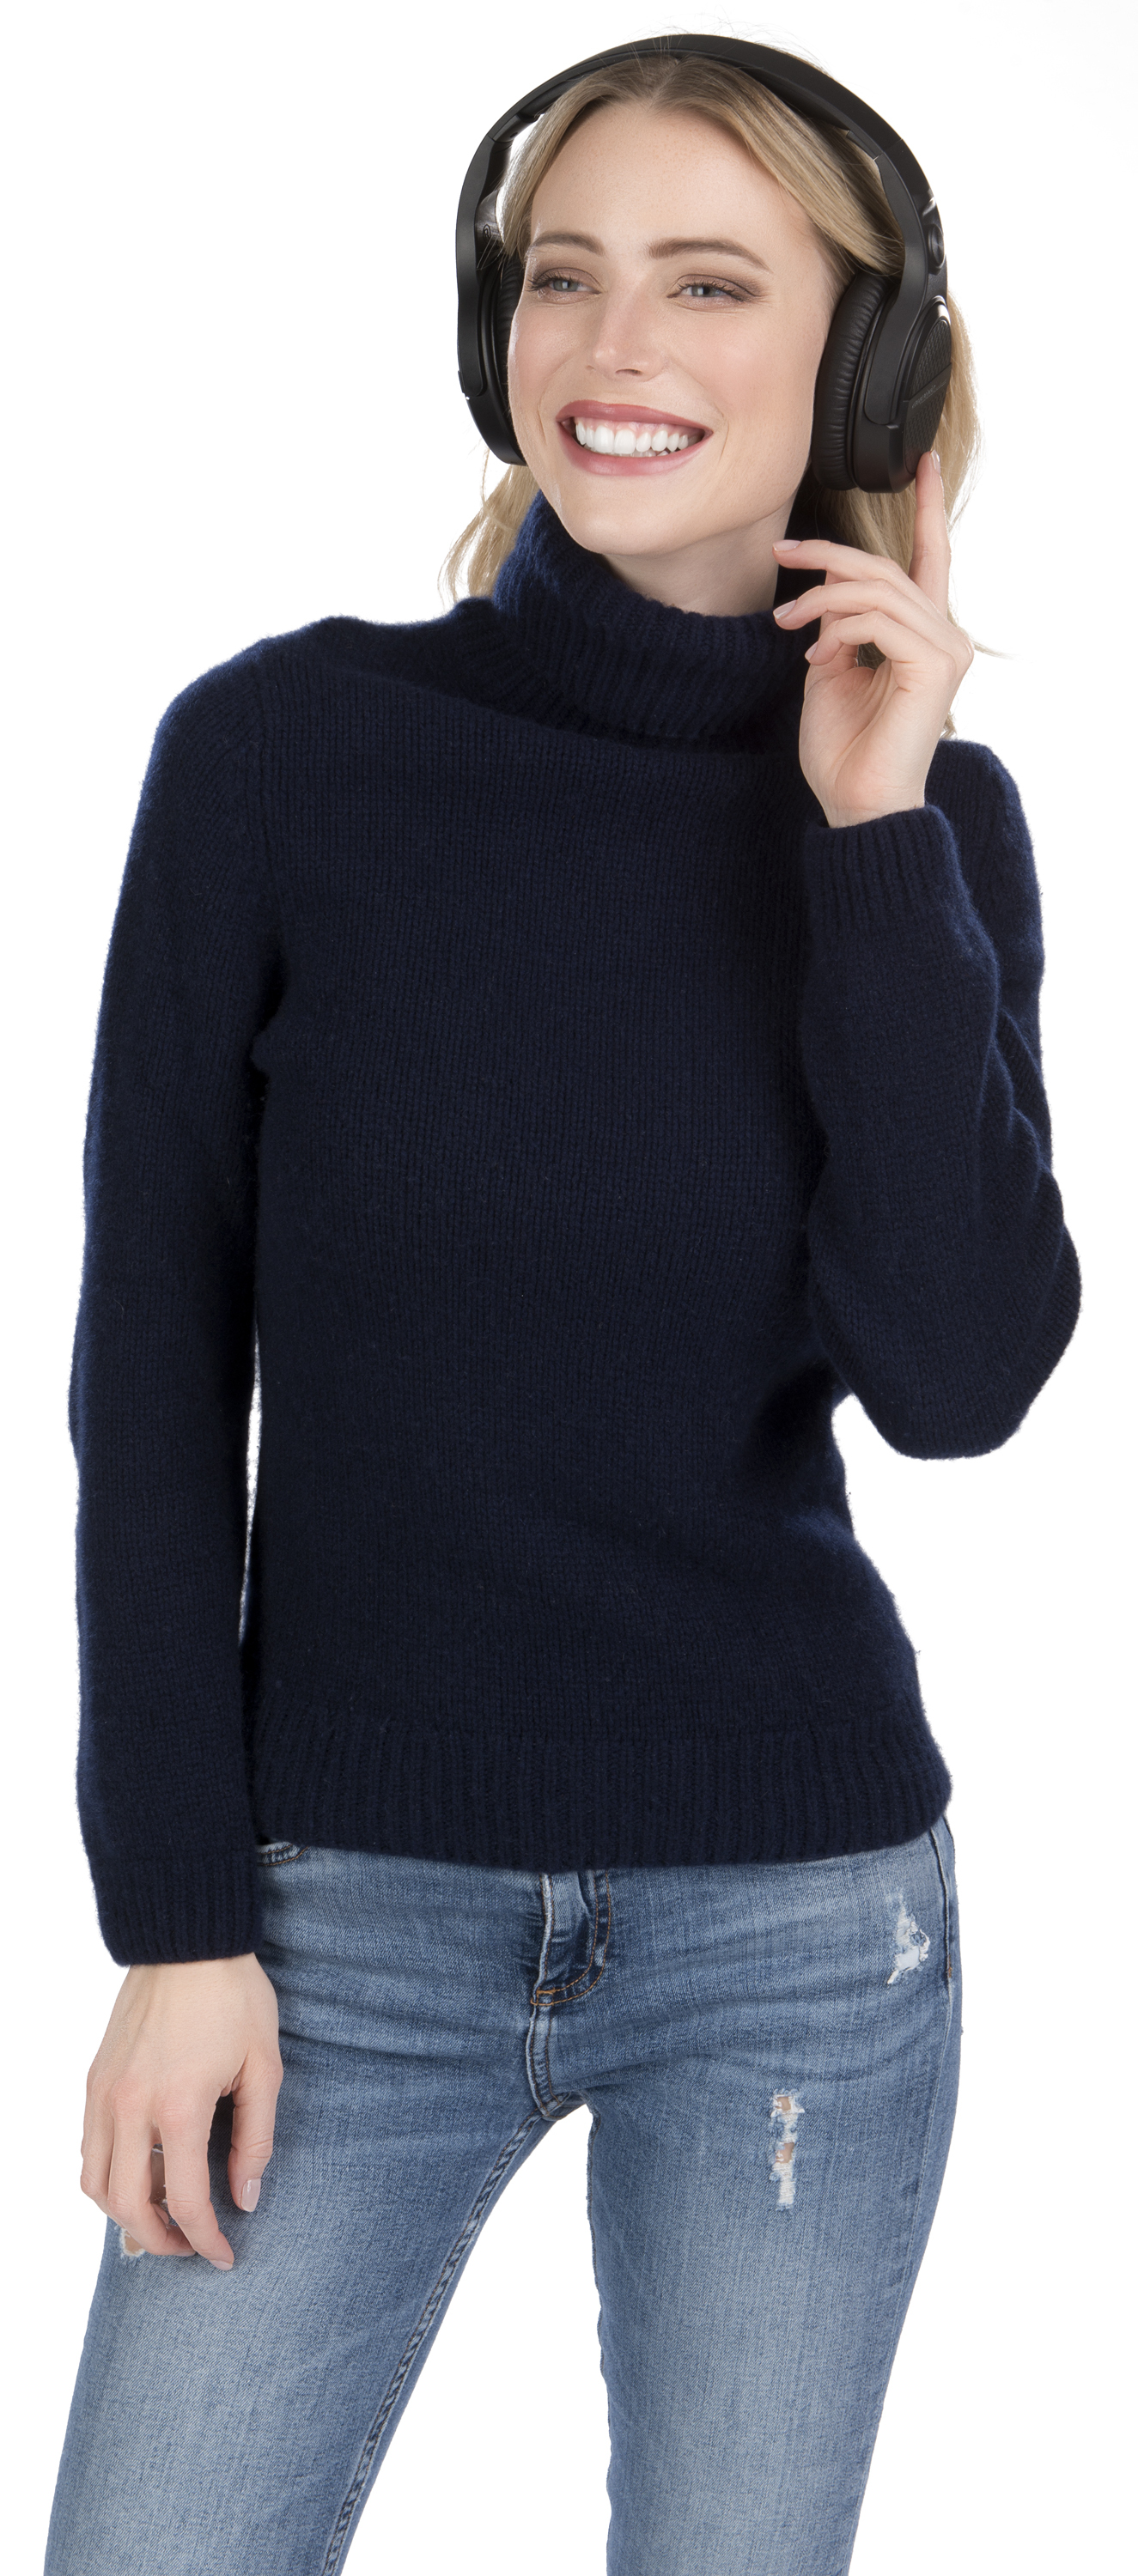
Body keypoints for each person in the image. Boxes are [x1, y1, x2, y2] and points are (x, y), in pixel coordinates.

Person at [46, 39, 1080, 2576]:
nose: (613, 345)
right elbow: (149, 1374)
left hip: (801, 1928)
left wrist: (867, 836)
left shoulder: (928, 823)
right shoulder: (282, 753)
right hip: (339, 1920)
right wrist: (177, 1922)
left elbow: (959, 1383)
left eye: (711, 285)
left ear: (864, 364)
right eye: (562, 277)